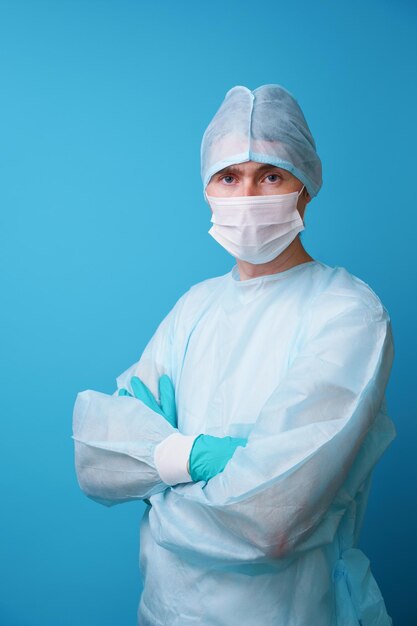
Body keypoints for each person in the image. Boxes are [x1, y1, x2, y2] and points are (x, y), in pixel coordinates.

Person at [73, 84, 395, 625]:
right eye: (228, 176)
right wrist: (208, 458)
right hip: (164, 609)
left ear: (306, 186)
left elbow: (271, 521)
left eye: (270, 174)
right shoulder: (195, 308)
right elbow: (98, 456)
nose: (247, 194)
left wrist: (159, 480)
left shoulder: (347, 313)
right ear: (207, 190)